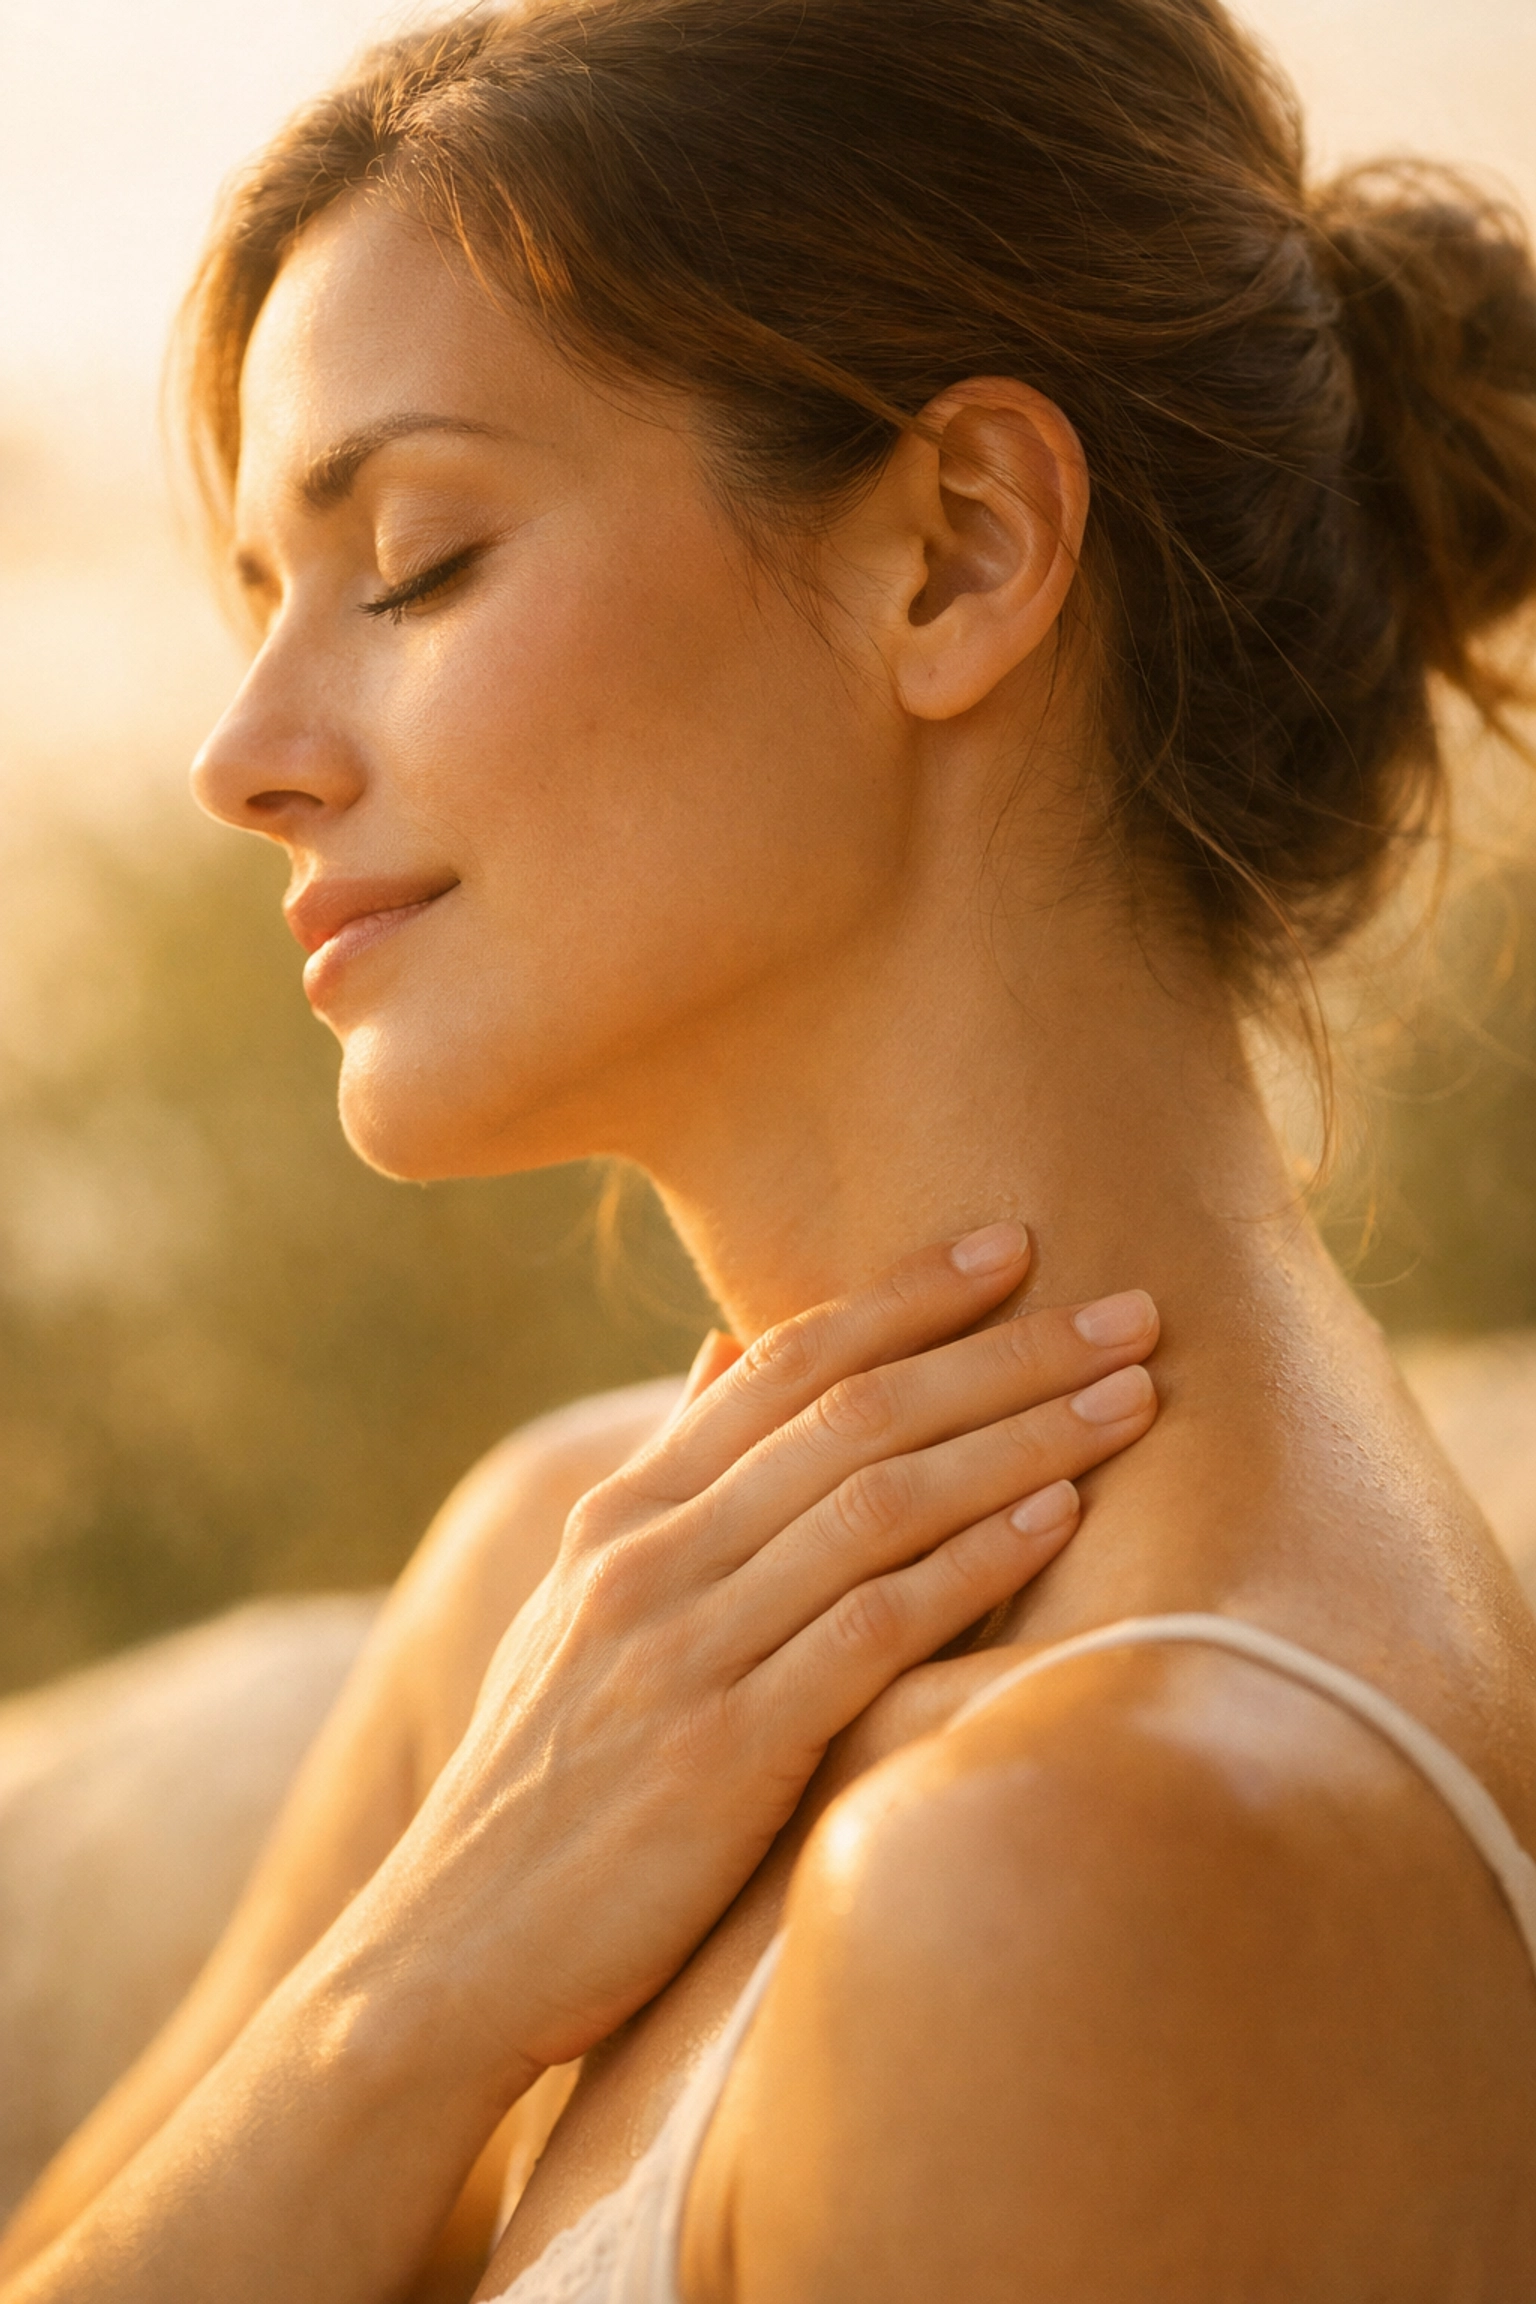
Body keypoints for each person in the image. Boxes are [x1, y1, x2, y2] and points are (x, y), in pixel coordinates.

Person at [5, 0, 1536, 2294]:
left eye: (414, 559)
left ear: (958, 553)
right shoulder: (569, 1602)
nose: (246, 754)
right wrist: (419, 1980)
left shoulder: (1114, 1863)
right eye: (255, 605)